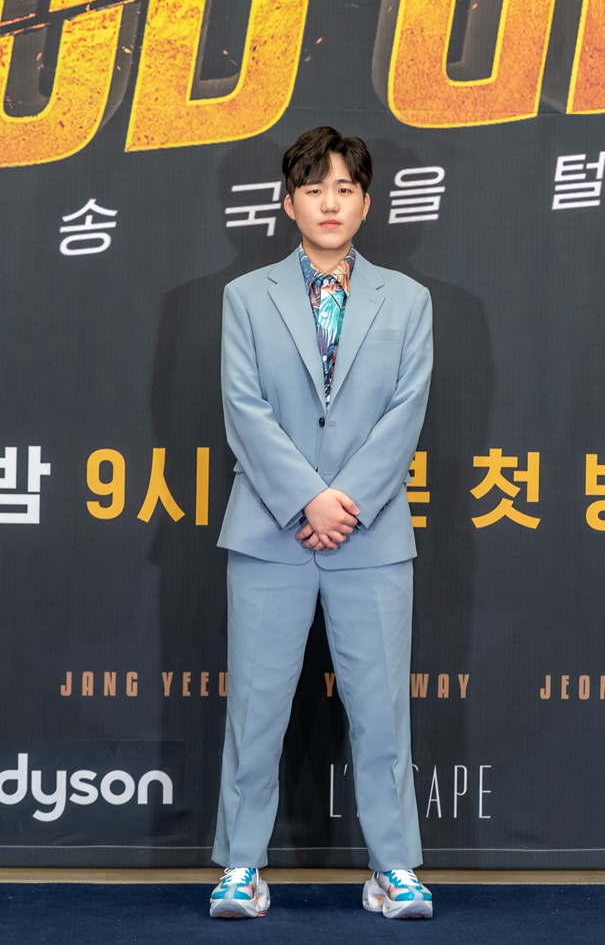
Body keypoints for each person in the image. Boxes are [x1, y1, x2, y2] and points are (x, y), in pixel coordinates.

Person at [209, 126, 434, 920]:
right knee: (256, 709)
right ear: (288, 203)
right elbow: (244, 409)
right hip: (270, 532)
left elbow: (406, 412)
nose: (329, 203)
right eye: (314, 188)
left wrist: (346, 502)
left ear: (367, 203)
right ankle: (241, 866)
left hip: (371, 534)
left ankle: (394, 867)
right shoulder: (246, 297)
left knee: (381, 711)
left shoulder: (408, 300)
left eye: (345, 188)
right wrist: (308, 498)